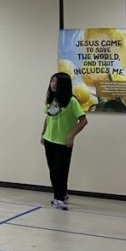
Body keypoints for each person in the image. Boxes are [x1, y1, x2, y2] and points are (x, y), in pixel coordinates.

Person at [42, 72, 88, 210]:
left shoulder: (72, 101)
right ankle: (61, 193)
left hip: (63, 143)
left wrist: (71, 136)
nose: (53, 84)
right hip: (49, 140)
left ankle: (58, 199)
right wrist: (43, 133)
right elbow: (48, 117)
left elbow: (83, 121)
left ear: (63, 84)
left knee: (60, 170)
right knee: (53, 170)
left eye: (56, 82)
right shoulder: (52, 100)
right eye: (52, 81)